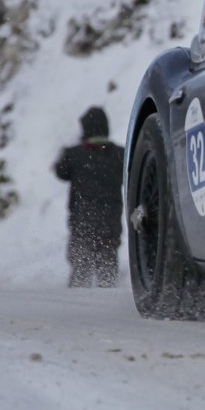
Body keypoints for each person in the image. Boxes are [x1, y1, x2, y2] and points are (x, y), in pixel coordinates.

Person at [53, 107, 125, 287]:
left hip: (82, 224)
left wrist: (65, 152)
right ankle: (108, 301)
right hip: (110, 224)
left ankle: (77, 303)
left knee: (80, 274)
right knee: (108, 274)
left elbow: (60, 171)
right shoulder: (120, 154)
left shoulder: (74, 155)